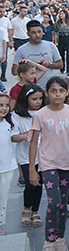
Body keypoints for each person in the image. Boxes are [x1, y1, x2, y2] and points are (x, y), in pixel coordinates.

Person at [28, 77, 69, 251]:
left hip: (68, 163)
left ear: (67, 93)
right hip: (48, 163)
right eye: (53, 91)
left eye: (61, 91)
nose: (57, 94)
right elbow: (34, 142)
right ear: (47, 93)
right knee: (54, 201)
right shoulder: (40, 115)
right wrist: (33, 170)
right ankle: (49, 242)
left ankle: (59, 237)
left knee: (63, 203)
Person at [11, 84, 45, 228]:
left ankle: (35, 210)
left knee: (39, 185)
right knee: (31, 184)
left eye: (40, 98)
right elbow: (13, 137)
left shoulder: (44, 112)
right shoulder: (17, 115)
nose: (38, 102)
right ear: (26, 99)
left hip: (43, 155)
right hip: (25, 156)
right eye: (34, 99)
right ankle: (26, 209)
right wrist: (25, 136)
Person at [12, 20, 63, 87]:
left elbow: (60, 65)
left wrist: (49, 64)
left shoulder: (51, 46)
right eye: (33, 33)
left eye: (39, 32)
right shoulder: (21, 49)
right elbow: (14, 71)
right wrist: (24, 66)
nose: (37, 35)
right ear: (28, 34)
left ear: (43, 32)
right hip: (29, 88)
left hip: (48, 88)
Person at [0, 93, 15, 236]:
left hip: (7, 167)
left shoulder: (9, 123)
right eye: (0, 105)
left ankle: (0, 223)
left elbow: (15, 137)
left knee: (3, 197)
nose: (4, 108)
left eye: (6, 105)